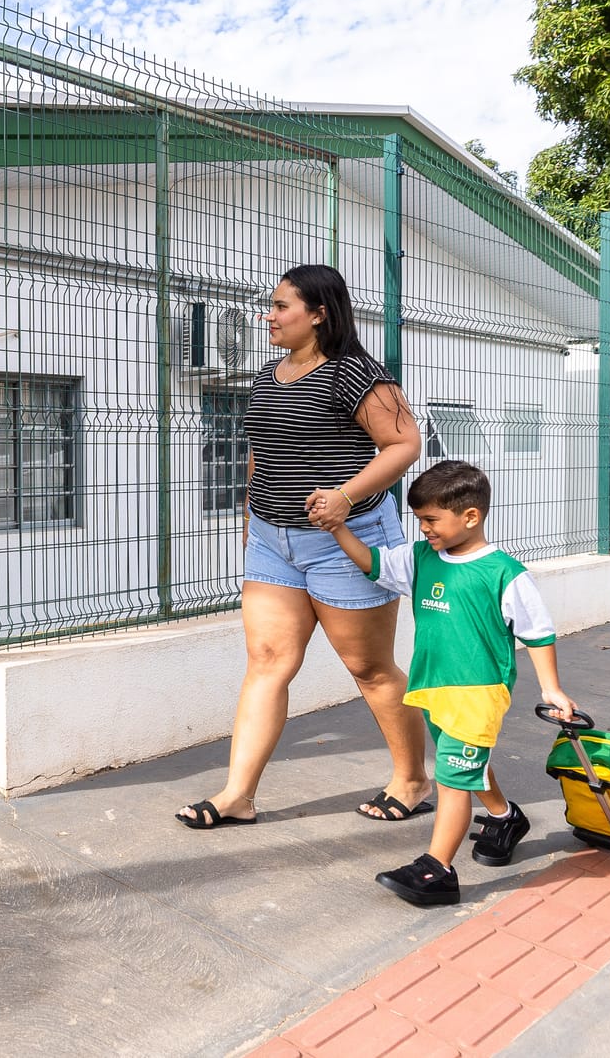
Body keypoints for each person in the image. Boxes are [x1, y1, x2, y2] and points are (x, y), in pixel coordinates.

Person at [176, 264, 430, 831]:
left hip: (348, 540)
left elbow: (404, 443)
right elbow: (260, 453)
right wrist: (251, 520)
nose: (269, 315)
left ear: (318, 313)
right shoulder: (267, 376)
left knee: (368, 667)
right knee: (267, 661)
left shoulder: (356, 374)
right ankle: (238, 794)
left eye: (281, 306)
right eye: (271, 305)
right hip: (273, 542)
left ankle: (412, 779)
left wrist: (344, 496)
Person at [329, 459, 576, 906]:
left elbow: (537, 632)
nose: (423, 528)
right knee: (460, 762)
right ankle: (504, 817)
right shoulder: (422, 558)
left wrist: (551, 687)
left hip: (477, 692)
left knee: (453, 779)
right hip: (434, 686)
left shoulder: (503, 572)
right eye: (419, 518)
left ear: (470, 516)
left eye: (430, 519)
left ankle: (437, 868)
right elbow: (373, 562)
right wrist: (338, 528)